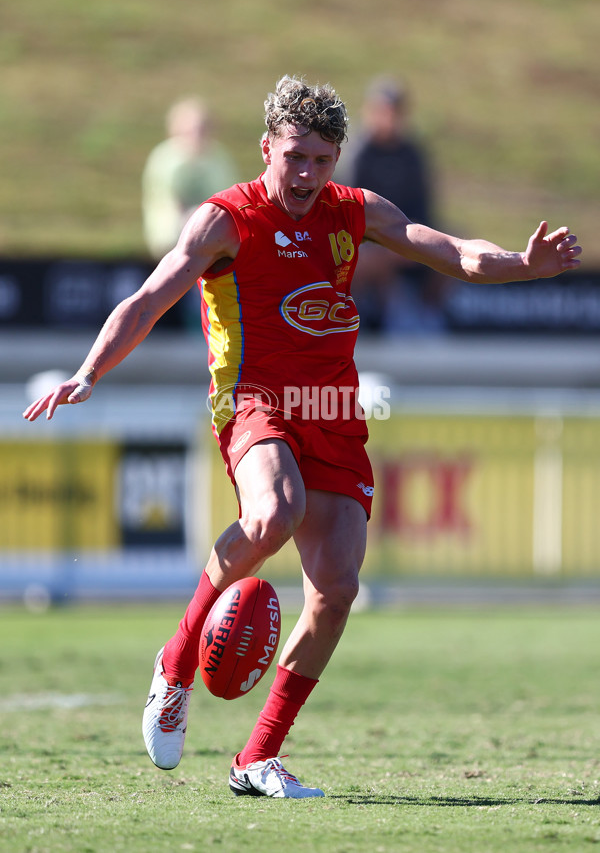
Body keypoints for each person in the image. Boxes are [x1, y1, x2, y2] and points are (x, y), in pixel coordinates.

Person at [23, 75, 582, 799]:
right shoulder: (225, 219)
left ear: (338, 158)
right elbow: (148, 297)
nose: (308, 175)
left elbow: (451, 252)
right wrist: (90, 371)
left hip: (334, 411)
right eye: (295, 157)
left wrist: (522, 266)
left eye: (322, 160)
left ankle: (256, 759)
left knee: (338, 589)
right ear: (267, 148)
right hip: (254, 401)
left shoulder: (354, 211)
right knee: (273, 513)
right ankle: (176, 661)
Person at [343, 76, 443, 333]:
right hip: (368, 239)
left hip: (404, 232)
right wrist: (389, 242)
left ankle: (430, 318)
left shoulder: (411, 153)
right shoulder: (358, 152)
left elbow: (423, 205)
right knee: (379, 258)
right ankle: (389, 322)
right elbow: (351, 208)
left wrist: (417, 236)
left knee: (449, 245)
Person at [142, 97, 239, 260]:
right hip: (171, 237)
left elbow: (226, 197)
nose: (197, 136)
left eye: (202, 129)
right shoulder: (164, 158)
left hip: (211, 236)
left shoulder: (219, 158)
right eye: (192, 130)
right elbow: (165, 199)